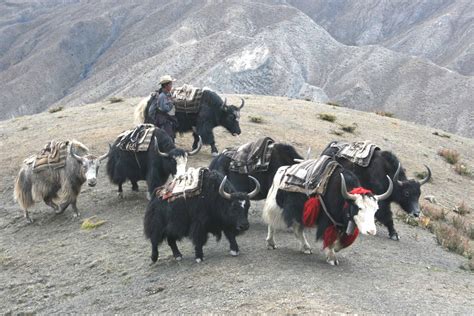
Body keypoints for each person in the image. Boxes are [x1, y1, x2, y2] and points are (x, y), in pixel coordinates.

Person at [148, 75, 178, 141]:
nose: (171, 86)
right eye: (170, 84)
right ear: (166, 86)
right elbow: (165, 109)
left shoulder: (165, 94)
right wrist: (172, 102)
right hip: (163, 120)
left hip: (164, 118)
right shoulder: (162, 96)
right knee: (168, 135)